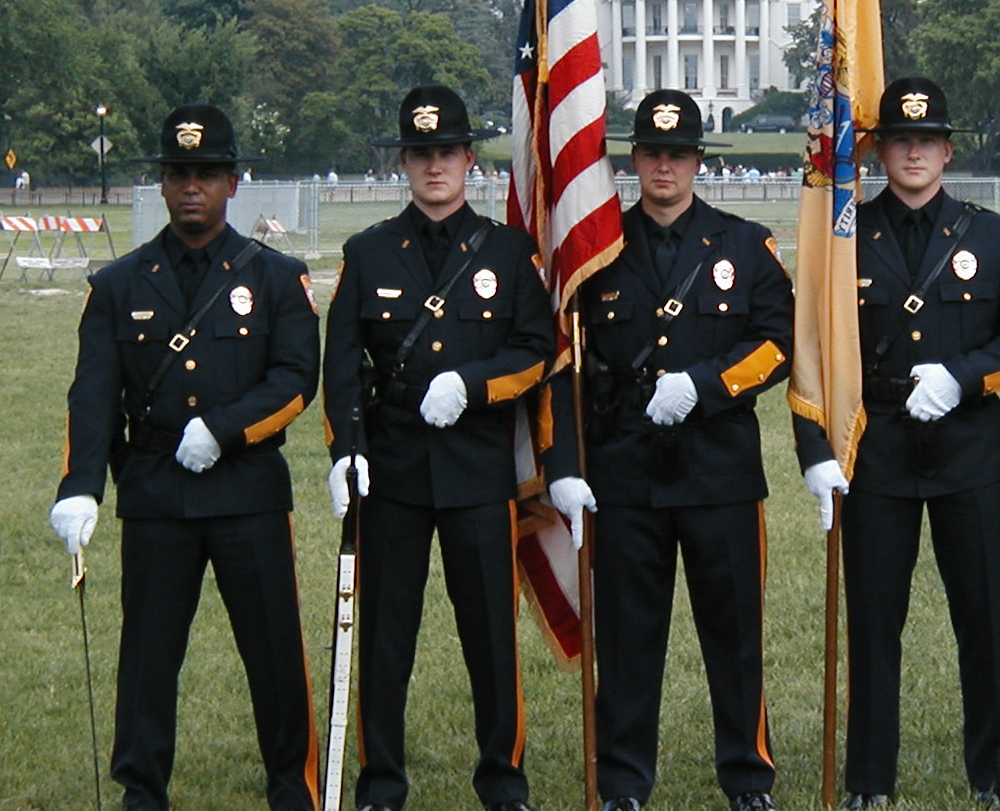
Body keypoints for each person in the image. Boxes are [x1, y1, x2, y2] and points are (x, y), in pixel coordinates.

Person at [49, 104, 322, 811]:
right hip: (155, 496)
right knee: (146, 658)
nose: (191, 187)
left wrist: (225, 430)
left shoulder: (274, 276)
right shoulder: (117, 286)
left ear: (233, 183)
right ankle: (142, 792)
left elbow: (296, 379)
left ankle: (291, 787)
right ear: (162, 185)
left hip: (249, 494)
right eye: (178, 175)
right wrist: (80, 487)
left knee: (274, 657)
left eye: (206, 174)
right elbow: (93, 395)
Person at [794, 77, 1000, 811]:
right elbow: (810, 346)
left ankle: (996, 776)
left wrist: (967, 378)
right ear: (879, 152)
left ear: (946, 151)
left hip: (966, 450)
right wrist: (815, 449)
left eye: (927, 141)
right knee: (874, 625)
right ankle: (870, 780)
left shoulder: (993, 235)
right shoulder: (844, 240)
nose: (914, 152)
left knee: (984, 620)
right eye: (900, 141)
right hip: (874, 453)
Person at [545, 90, 793, 811]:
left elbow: (778, 341)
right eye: (652, 154)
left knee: (735, 632)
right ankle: (623, 781)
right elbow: (565, 361)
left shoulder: (744, 245)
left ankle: (748, 776)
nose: (664, 166)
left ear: (697, 162)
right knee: (626, 639)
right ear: (632, 160)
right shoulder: (597, 252)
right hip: (625, 470)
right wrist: (566, 467)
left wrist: (707, 385)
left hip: (718, 469)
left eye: (677, 154)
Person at [322, 85, 556, 811]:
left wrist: (475, 383)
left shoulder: (509, 252)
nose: (434, 167)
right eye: (420, 154)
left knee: (489, 637)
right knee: (387, 638)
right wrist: (344, 449)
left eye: (447, 153)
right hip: (390, 468)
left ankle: (502, 780)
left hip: (477, 470)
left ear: (469, 161)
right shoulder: (366, 252)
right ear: (403, 163)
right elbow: (342, 363)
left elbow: (536, 350)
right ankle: (381, 783)